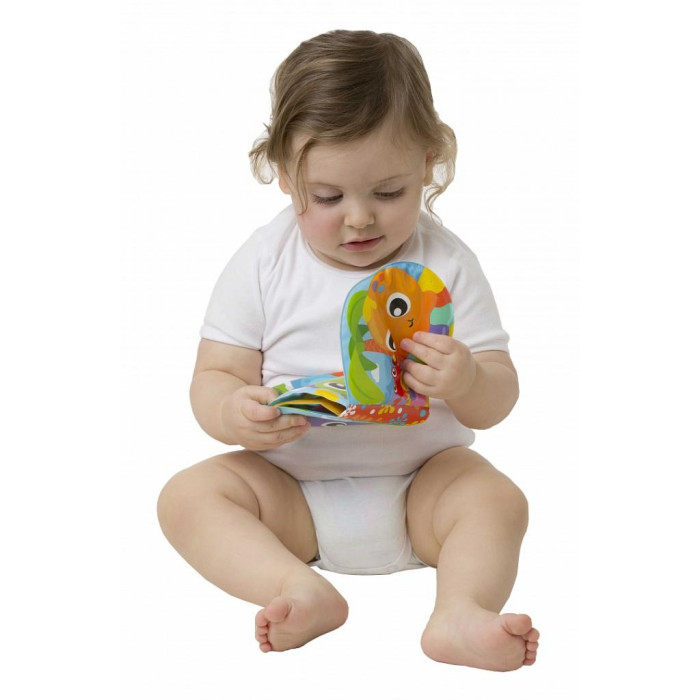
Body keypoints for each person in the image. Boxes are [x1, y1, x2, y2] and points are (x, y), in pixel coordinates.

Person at [157, 29, 539, 671]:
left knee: (497, 498)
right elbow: (215, 374)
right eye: (328, 197)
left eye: (388, 193)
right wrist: (234, 413)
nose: (359, 218)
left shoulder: (447, 264)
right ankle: (296, 587)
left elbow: (498, 396)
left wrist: (468, 379)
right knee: (187, 496)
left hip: (425, 490)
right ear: (284, 175)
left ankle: (459, 611)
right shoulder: (263, 262)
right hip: (290, 494)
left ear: (428, 163)